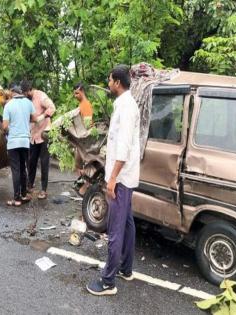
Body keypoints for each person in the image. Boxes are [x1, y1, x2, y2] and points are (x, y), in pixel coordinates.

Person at [86, 65, 140, 296]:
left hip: (121, 178)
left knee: (116, 229)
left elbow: (124, 147)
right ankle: (126, 269)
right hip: (125, 176)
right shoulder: (125, 104)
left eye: (109, 80)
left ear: (117, 82)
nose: (108, 84)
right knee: (127, 223)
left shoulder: (126, 107)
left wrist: (113, 178)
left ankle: (108, 282)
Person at [3, 83, 40, 206]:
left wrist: (9, 129)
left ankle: (16, 198)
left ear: (12, 92)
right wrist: (24, 120)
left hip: (13, 141)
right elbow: (35, 118)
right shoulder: (28, 103)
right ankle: (24, 195)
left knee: (16, 170)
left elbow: (5, 126)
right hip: (25, 141)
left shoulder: (8, 105)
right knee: (23, 168)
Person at [20, 79, 55, 200]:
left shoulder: (41, 96)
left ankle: (44, 190)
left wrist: (43, 116)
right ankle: (30, 185)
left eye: (25, 93)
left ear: (30, 90)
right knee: (31, 161)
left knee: (44, 162)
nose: (25, 96)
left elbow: (52, 107)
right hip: (33, 135)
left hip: (44, 133)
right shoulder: (26, 100)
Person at [72, 82, 94, 175]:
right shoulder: (81, 104)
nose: (75, 96)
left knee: (78, 166)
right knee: (78, 166)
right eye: (74, 94)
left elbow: (88, 124)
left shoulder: (85, 105)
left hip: (85, 139)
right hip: (81, 138)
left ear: (82, 91)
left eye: (77, 93)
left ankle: (85, 185)